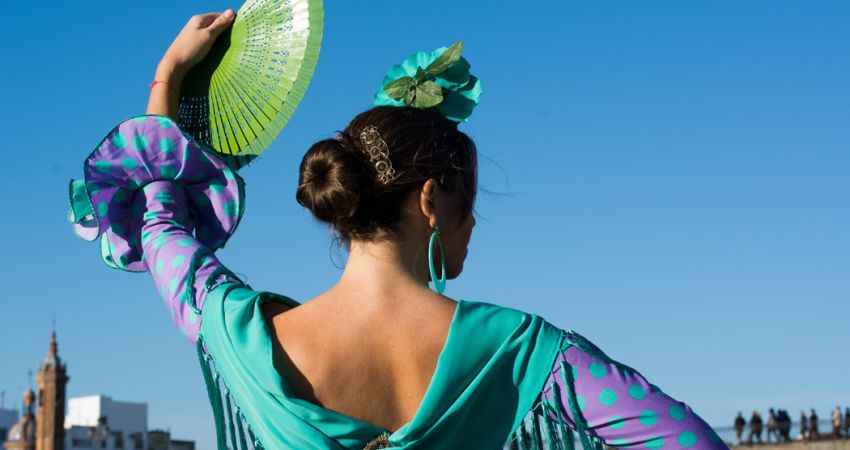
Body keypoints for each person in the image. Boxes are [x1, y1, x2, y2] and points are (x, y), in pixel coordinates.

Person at [68, 10, 727, 450]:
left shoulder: (238, 335)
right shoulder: (523, 352)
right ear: (432, 201)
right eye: (470, 206)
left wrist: (169, 77)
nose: (473, 225)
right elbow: (688, 439)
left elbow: (162, 222)